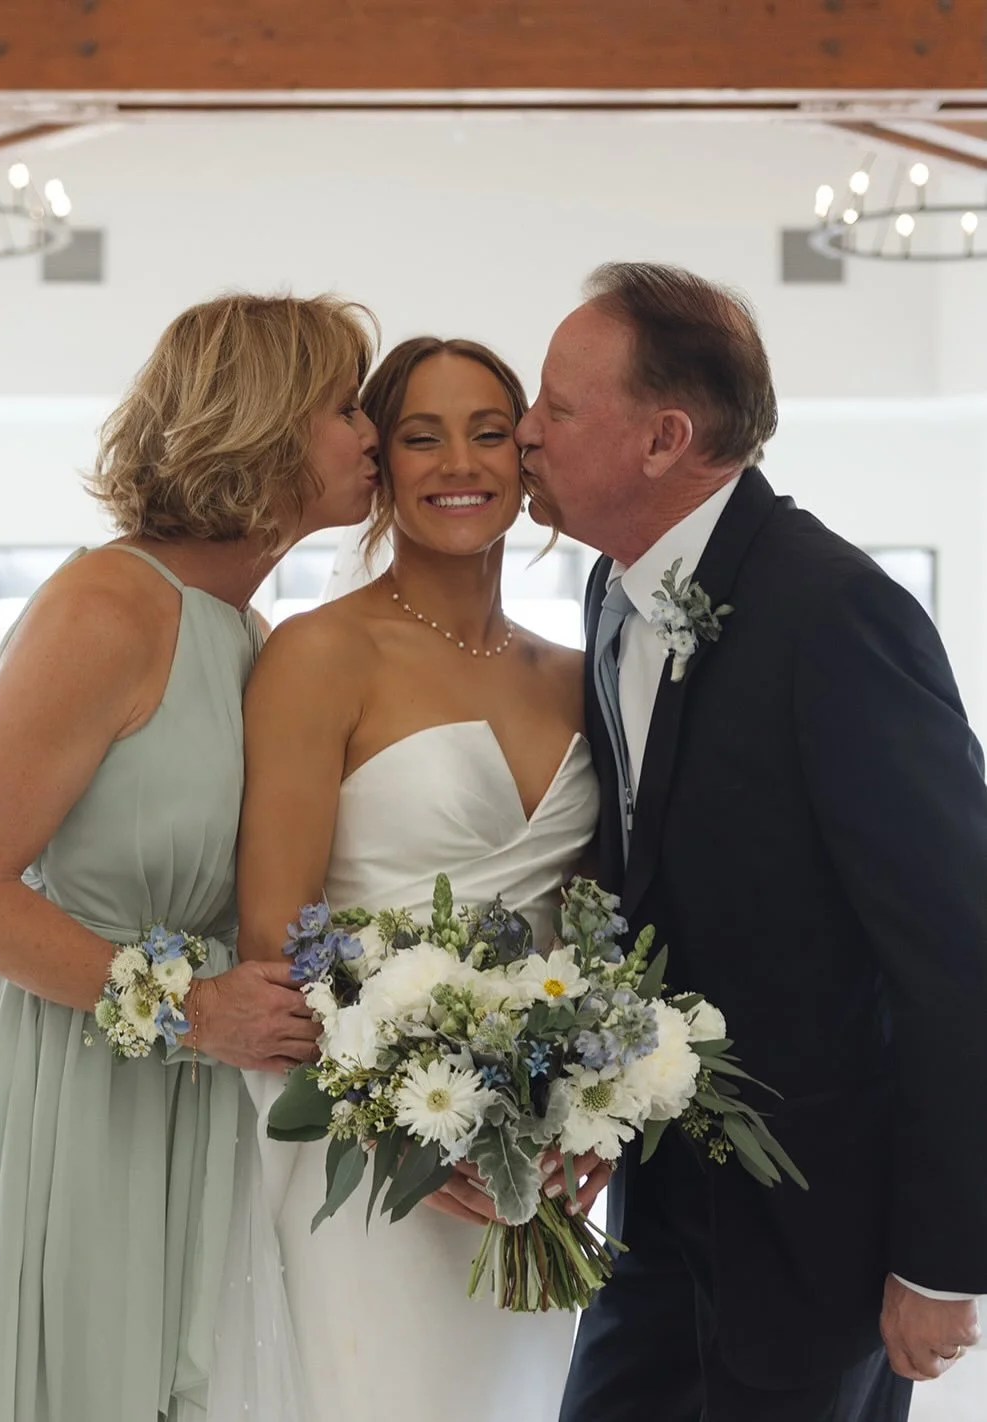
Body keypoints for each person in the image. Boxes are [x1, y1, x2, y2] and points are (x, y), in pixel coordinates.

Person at [514, 260, 987, 1422]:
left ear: (662, 437)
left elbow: (958, 950)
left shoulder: (833, 612)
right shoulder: (608, 595)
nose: (523, 434)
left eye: (556, 407)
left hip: (816, 1238)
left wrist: (942, 1259)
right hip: (660, 1217)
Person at [0, 291, 380, 1422]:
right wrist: (190, 1013)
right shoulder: (108, 605)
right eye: (343, 406)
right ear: (267, 423)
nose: (371, 431)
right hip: (64, 1077)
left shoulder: (254, 637)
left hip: (187, 1088)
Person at [229, 336, 600, 1422]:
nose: (460, 463)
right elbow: (271, 932)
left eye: (489, 433)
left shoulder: (575, 676)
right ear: (379, 465)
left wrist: (586, 1104)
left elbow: (585, 926)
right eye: (421, 435)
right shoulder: (320, 652)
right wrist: (396, 1118)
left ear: (526, 459)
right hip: (366, 1149)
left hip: (520, 1160)